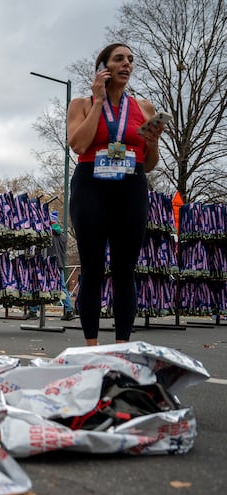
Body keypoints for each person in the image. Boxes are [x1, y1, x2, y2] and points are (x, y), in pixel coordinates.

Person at [67, 43, 165, 347]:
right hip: (91, 185)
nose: (127, 64)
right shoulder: (81, 104)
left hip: (131, 186)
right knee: (92, 267)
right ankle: (91, 347)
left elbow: (148, 164)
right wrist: (98, 102)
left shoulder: (144, 107)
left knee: (125, 270)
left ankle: (123, 346)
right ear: (104, 67)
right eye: (119, 59)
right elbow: (79, 144)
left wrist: (154, 142)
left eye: (131, 60)